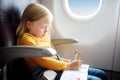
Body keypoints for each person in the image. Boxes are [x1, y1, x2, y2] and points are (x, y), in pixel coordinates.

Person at [16, 3, 107, 80]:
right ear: (29, 24)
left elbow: (52, 57)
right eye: (43, 27)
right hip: (46, 74)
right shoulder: (27, 39)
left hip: (55, 68)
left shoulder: (41, 36)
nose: (47, 30)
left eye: (48, 26)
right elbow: (43, 60)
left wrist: (64, 61)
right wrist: (68, 66)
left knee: (102, 74)